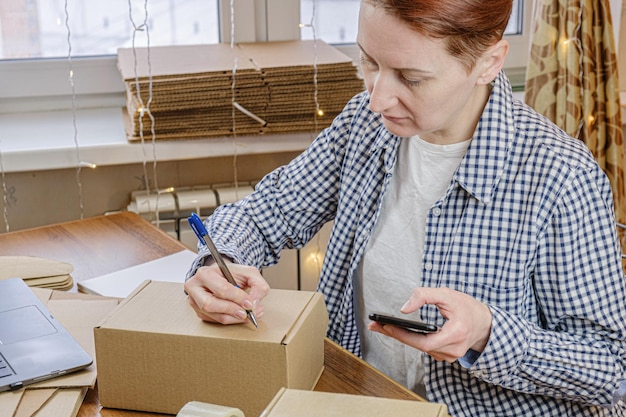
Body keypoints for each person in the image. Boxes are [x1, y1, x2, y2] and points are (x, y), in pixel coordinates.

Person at [184, 0, 626, 415]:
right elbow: (264, 215)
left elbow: (613, 369)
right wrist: (214, 263)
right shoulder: (363, 123)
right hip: (361, 398)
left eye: (411, 78)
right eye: (369, 62)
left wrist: (488, 332)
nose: (377, 98)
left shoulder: (562, 176)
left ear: (488, 62)